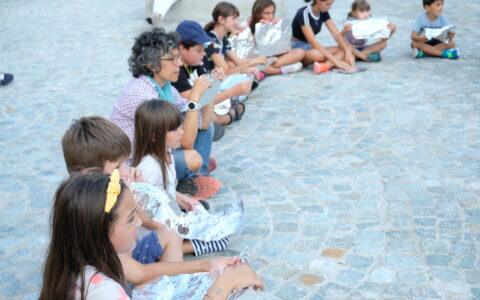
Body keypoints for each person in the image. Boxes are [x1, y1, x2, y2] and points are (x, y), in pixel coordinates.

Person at [39, 172, 263, 299]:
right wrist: (224, 285)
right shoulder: (104, 292)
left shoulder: (84, 258)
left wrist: (207, 265)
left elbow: (144, 272)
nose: (140, 222)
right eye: (130, 219)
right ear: (100, 232)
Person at [61, 117, 232, 272]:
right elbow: (136, 266)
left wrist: (143, 187)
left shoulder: (113, 191)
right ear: (89, 174)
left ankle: (176, 270)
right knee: (186, 235)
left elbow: (157, 210)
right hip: (123, 265)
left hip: (130, 257)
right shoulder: (95, 209)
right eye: (117, 167)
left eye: (125, 163)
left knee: (177, 233)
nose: (126, 170)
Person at [110, 28, 217, 183]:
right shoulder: (143, 95)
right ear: (151, 65)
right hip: (135, 167)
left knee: (205, 126)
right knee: (192, 159)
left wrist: (211, 90)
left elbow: (204, 124)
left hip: (159, 148)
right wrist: (194, 97)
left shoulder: (165, 87)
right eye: (172, 59)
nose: (179, 64)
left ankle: (197, 174)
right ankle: (189, 178)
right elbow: (186, 142)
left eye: (178, 58)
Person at [204, 2, 269, 77]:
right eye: (233, 18)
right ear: (221, 19)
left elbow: (239, 61)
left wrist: (261, 60)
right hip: (207, 82)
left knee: (236, 66)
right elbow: (226, 72)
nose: (237, 22)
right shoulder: (209, 40)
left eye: (237, 18)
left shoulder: (223, 38)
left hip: (217, 79)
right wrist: (252, 63)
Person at [291, 0, 355, 73]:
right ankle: (333, 62)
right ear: (318, 1)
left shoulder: (323, 12)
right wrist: (336, 61)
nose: (329, 7)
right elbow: (313, 42)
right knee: (318, 55)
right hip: (298, 47)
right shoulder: (304, 13)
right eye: (327, 4)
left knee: (347, 48)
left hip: (310, 48)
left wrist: (348, 53)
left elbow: (336, 34)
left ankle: (324, 66)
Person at [247, 0, 305, 78]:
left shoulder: (275, 22)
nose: (271, 16)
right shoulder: (248, 23)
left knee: (300, 52)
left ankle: (271, 68)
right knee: (252, 66)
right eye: (267, 13)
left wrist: (279, 29)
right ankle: (281, 70)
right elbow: (250, 49)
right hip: (260, 59)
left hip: (275, 58)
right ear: (257, 14)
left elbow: (285, 48)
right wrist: (259, 30)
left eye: (272, 12)